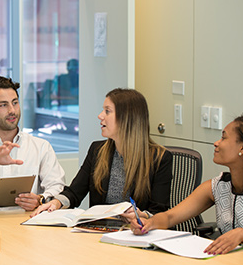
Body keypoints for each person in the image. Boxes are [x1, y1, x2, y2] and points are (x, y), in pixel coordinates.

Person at [131, 115, 243, 255]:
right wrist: (149, 223)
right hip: (226, 263)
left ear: (242, 148)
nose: (216, 143)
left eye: (224, 138)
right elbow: (170, 217)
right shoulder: (218, 186)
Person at [31, 88, 173, 220]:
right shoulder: (97, 150)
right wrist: (56, 203)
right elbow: (74, 192)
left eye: (107, 111)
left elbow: (159, 212)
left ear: (127, 118)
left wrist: (142, 216)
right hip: (100, 231)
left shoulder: (159, 158)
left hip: (137, 234)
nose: (100, 116)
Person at [0, 76, 65, 210]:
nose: (12, 110)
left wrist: (40, 199)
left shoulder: (41, 146)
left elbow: (58, 186)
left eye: (15, 102)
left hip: (29, 223)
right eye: (3, 105)